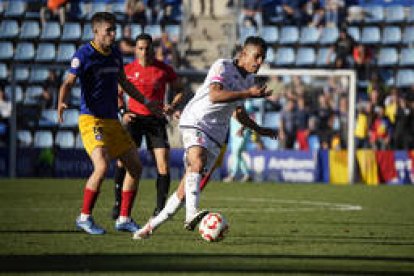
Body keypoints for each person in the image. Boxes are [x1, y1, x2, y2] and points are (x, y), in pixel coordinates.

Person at [133, 36, 278, 240]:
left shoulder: (248, 80)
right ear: (244, 54)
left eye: (263, 57)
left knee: (184, 190)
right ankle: (191, 214)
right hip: (196, 120)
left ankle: (150, 226)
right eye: (257, 56)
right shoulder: (223, 67)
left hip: (216, 134)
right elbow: (214, 95)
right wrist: (247, 94)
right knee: (197, 160)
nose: (260, 62)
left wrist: (259, 129)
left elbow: (238, 112)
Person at [57, 12, 161, 235]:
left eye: (114, 30)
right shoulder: (83, 55)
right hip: (91, 119)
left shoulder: (114, 52)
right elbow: (68, 82)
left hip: (112, 120)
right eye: (108, 31)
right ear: (96, 32)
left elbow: (122, 81)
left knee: (135, 167)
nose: (113, 35)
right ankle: (84, 217)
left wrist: (145, 101)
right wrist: (62, 101)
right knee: (102, 166)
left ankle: (124, 218)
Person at [112, 33, 184, 220]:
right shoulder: (127, 69)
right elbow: (117, 94)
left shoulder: (163, 69)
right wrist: (123, 112)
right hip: (134, 120)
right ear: (135, 50)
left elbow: (180, 89)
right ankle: (118, 203)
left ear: (153, 49)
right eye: (140, 48)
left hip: (155, 120)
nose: (144, 52)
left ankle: (160, 209)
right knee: (123, 163)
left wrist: (173, 105)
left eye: (147, 48)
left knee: (163, 165)